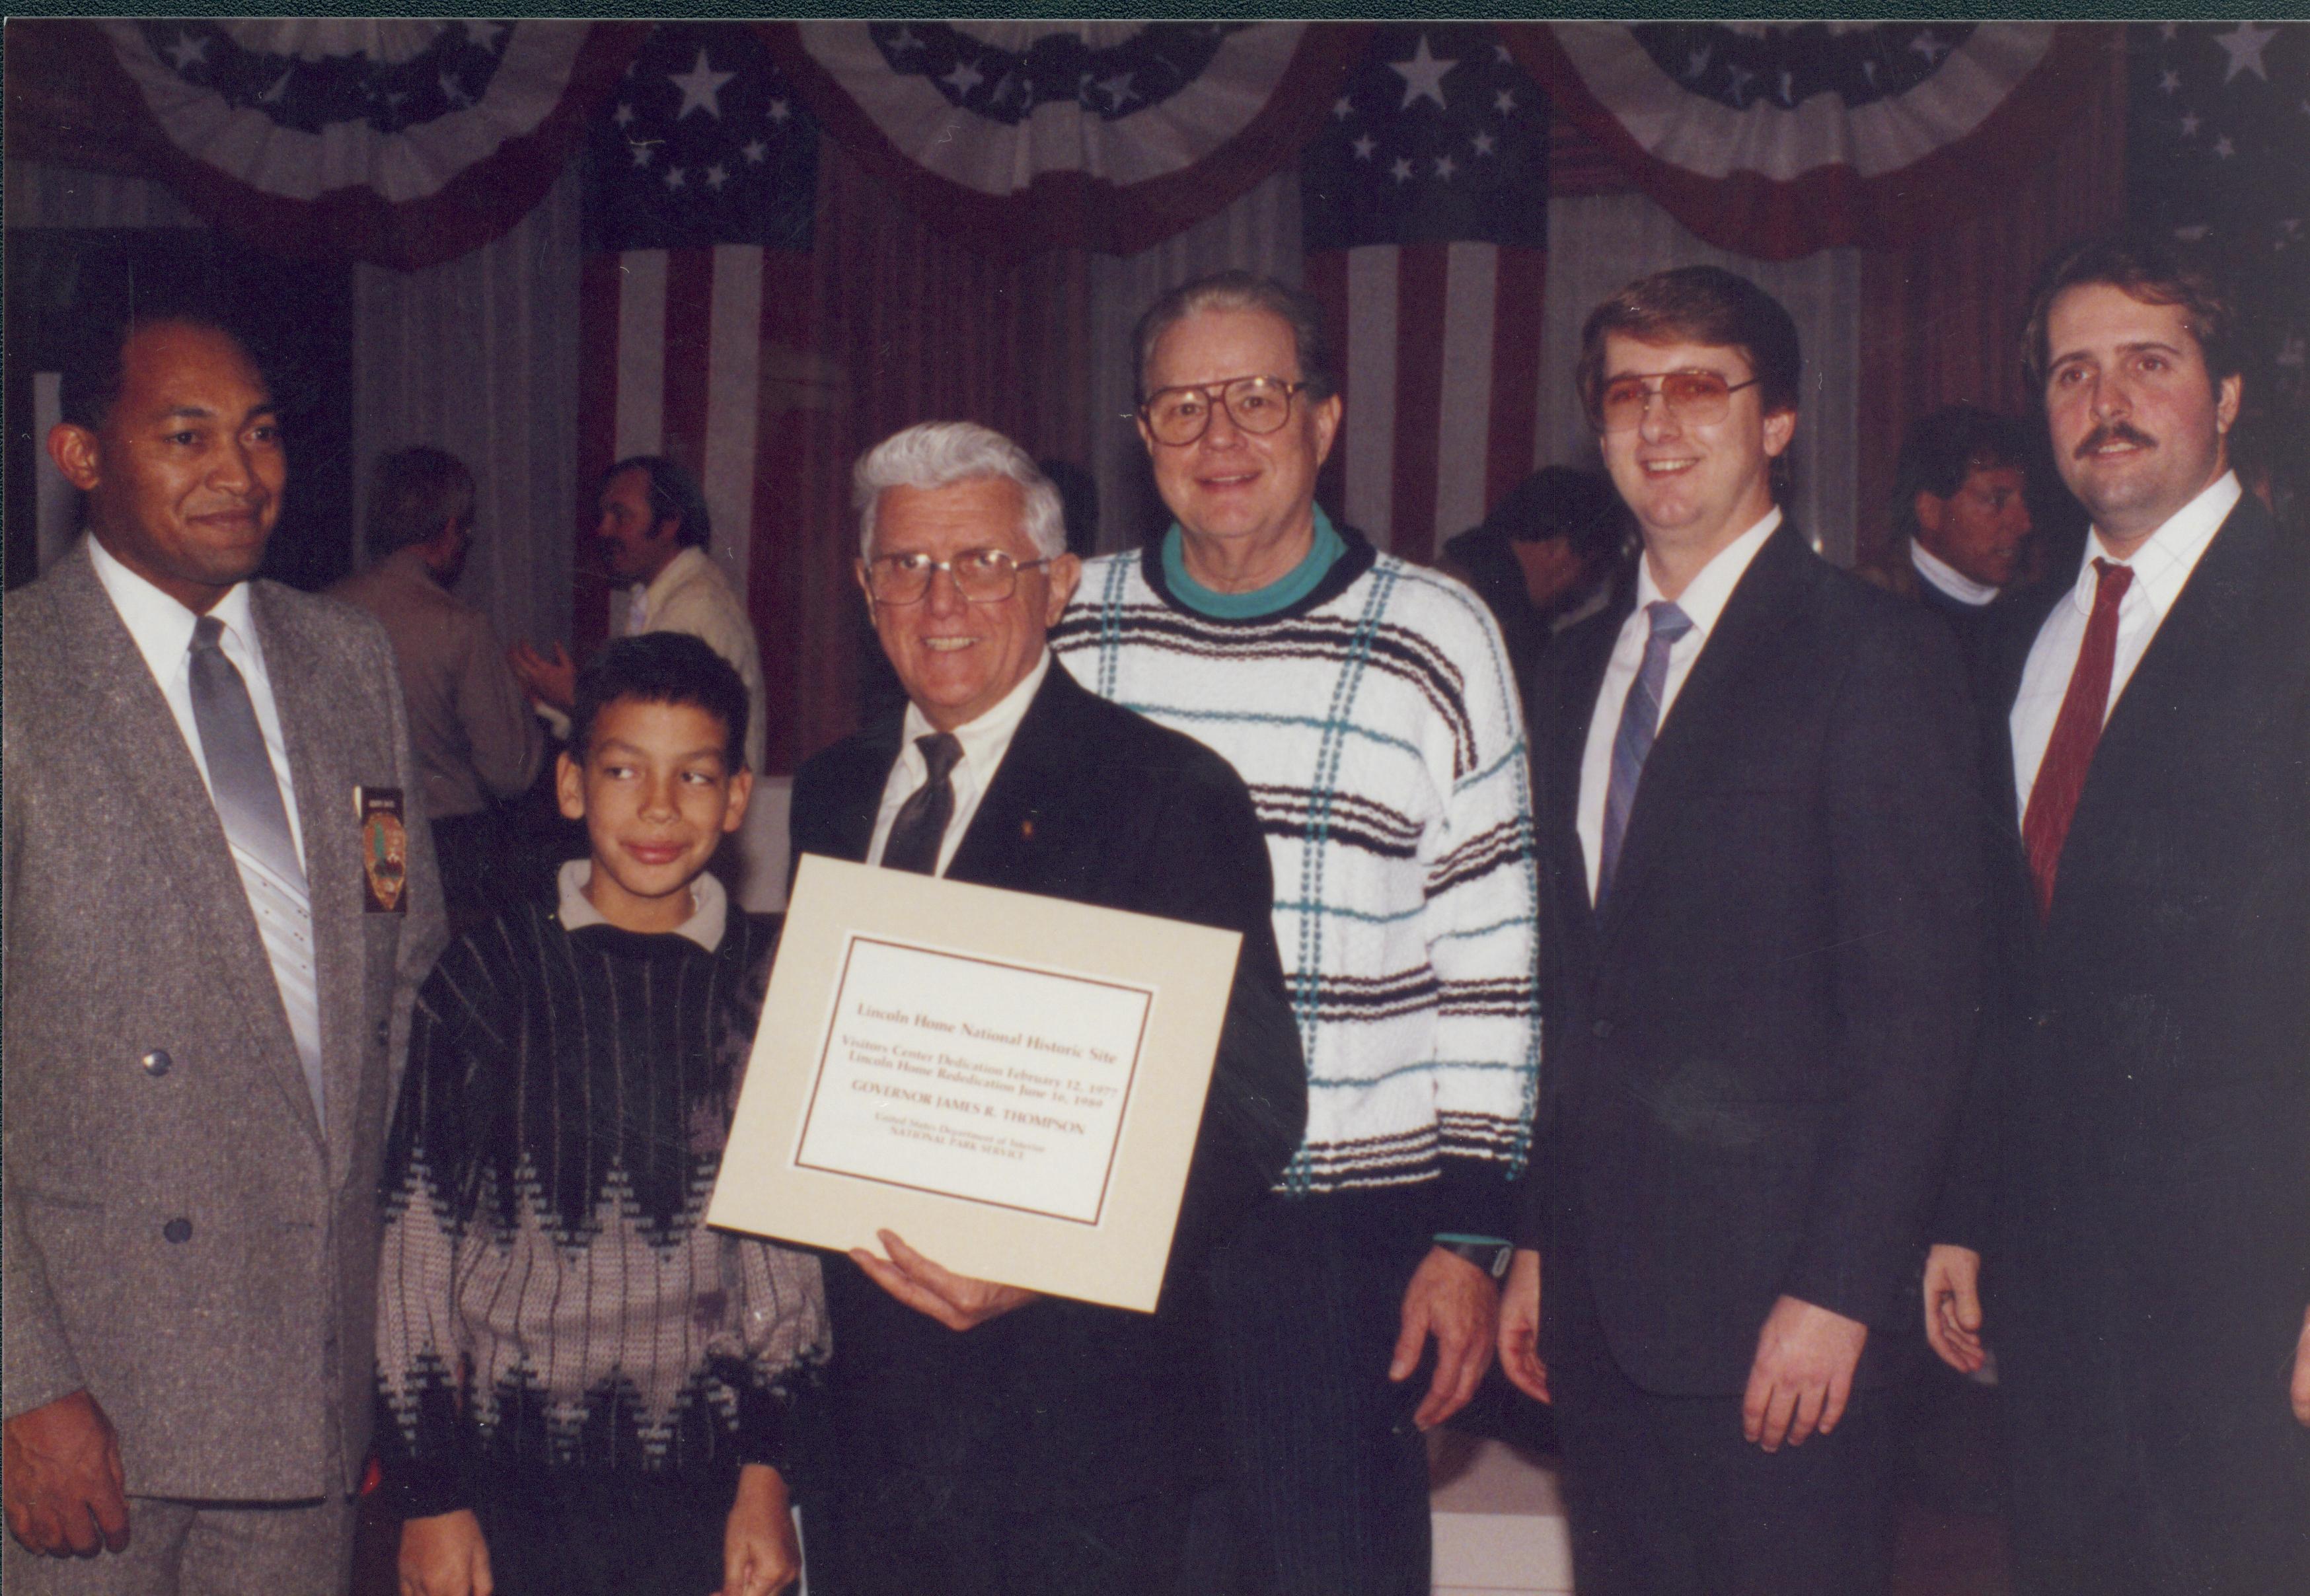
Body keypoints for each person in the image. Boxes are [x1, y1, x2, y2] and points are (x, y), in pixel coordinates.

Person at [1495, 265, 1982, 1596]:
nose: (1659, 423)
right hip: (1601, 1311)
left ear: (1775, 422)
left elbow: (1918, 1015)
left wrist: (1834, 1290)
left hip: (1785, 1315)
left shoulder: (1871, 654)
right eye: (1626, 392)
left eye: (1700, 386)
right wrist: (1541, 1239)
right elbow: (1568, 992)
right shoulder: (1566, 667)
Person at [1051, 272, 1540, 1596]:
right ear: (1137, 436)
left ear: (1324, 422)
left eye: (1257, 398)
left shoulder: (1437, 636)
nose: (1221, 438)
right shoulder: (1065, 627)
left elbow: (1495, 962)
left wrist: (1472, 1236)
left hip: (1338, 1237)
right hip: (1110, 1223)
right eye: (1182, 405)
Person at [789, 421, 1305, 1596]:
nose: (941, 600)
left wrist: (1046, 1260)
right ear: (868, 592)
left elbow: (1254, 1104)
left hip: (1072, 1413)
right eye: (907, 567)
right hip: (866, 1413)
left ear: (1058, 584)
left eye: (981, 562)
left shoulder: (1164, 791)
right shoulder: (830, 789)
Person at [3, 298, 447, 1593]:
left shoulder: (344, 654)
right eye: (186, 435)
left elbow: (401, 968)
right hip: (92, 1388)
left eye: (258, 435)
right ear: (82, 456)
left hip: (309, 1371)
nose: (238, 474)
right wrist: (25, 1381)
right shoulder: (21, 675)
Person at [1923, 235, 2310, 1596]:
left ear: (2226, 395)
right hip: (2048, 1282)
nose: (2106, 399)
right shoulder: (2009, 641)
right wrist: (1961, 1212)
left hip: (2252, 1285)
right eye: (2071, 371)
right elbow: (1996, 966)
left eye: (2147, 362)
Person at [375, 632, 824, 1596]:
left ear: (738, 798)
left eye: (695, 778)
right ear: (573, 785)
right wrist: (428, 1492)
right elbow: (417, 1250)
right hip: (511, 1484)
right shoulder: (484, 981)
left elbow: (788, 1270)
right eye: (625, 771)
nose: (659, 808)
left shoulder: (773, 986)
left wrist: (767, 1475)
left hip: (708, 1483)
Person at [331, 445, 544, 933]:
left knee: (378, 975)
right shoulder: (458, 627)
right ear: (451, 527)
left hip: (362, 837)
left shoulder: (326, 612)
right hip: (446, 849)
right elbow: (510, 771)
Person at [511, 456, 768, 778]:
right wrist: (550, 698)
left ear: (669, 523)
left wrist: (574, 697)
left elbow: (656, 728)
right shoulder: (665, 597)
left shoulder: (694, 608)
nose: (603, 530)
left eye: (620, 516)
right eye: (603, 516)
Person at [1438, 464, 1631, 682]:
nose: (1587, 592)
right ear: (1557, 549)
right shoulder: (1500, 627)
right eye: (1592, 571)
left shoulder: (1452, 577)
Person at [1863, 404, 2036, 637]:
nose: (2025, 524)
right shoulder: (1866, 608)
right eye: (1997, 501)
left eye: (2024, 502)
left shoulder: (2038, 612)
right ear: (1930, 511)